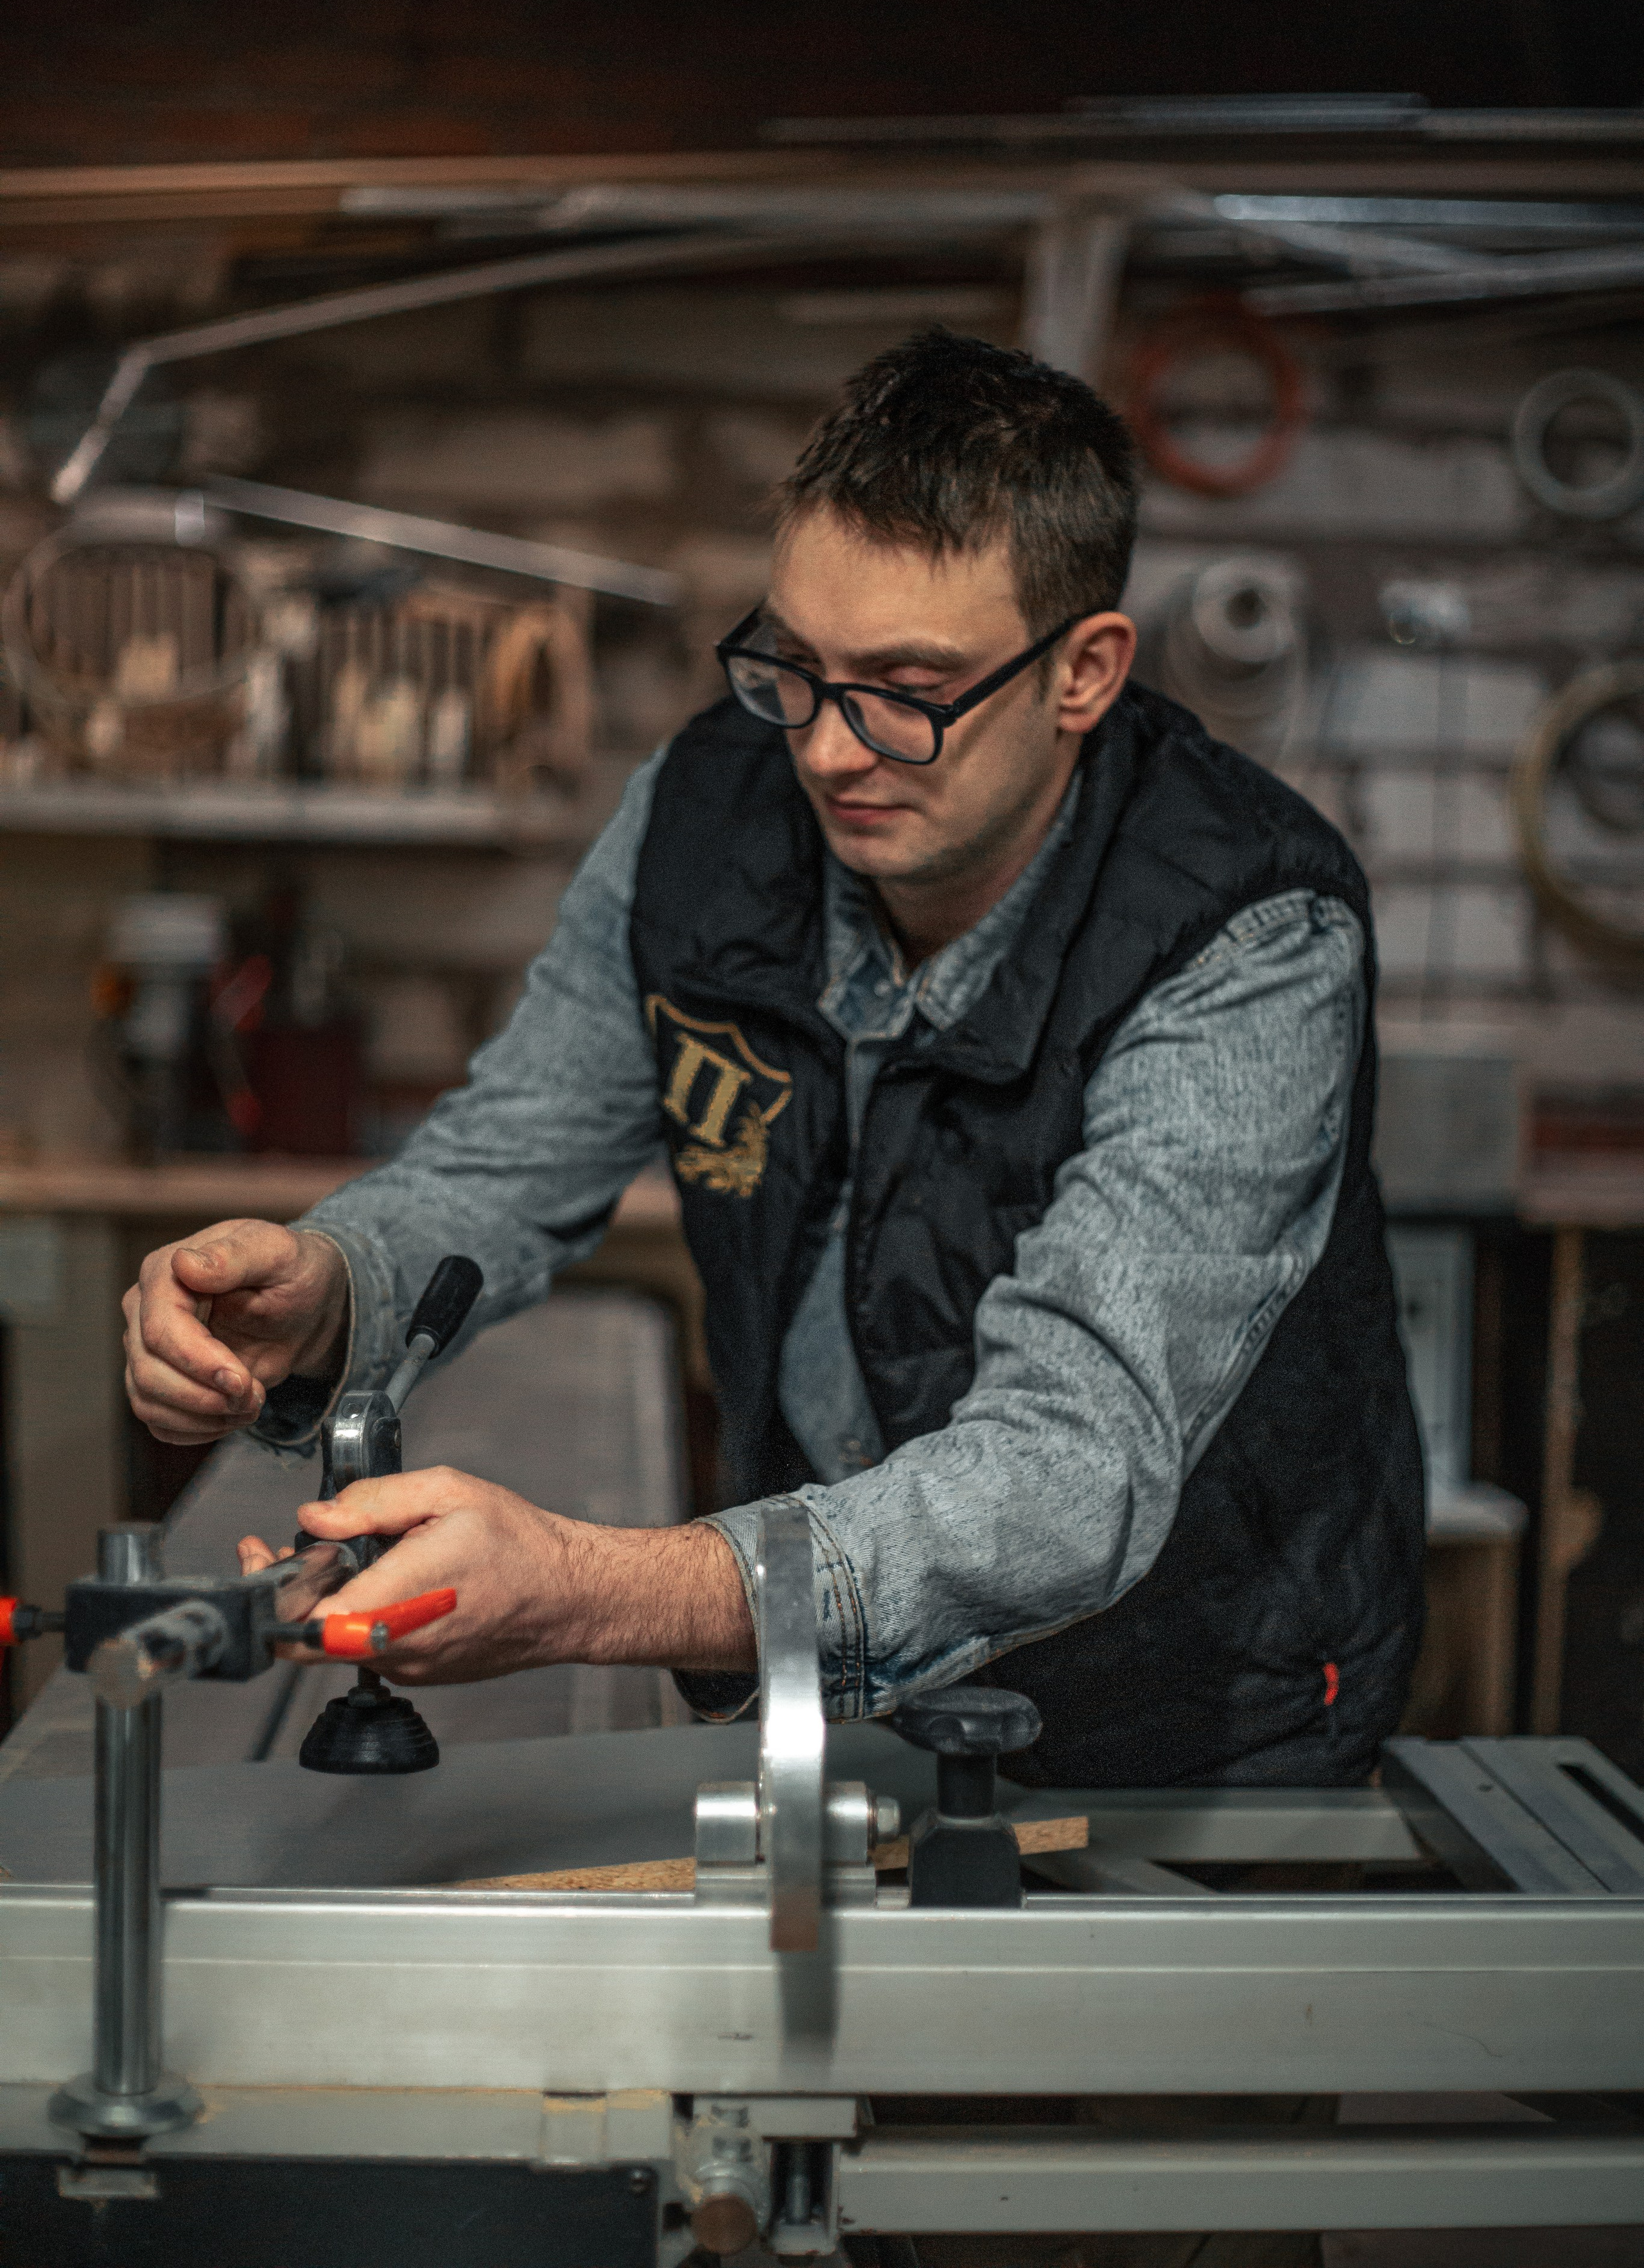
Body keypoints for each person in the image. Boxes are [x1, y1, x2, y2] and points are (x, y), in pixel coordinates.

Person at [123, 329, 1424, 1790]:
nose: (824, 750)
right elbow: (510, 1161)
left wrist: (597, 1588)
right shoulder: (706, 814)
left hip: (1186, 1715)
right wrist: (330, 1286)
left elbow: (1069, 1474)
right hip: (831, 1683)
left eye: (905, 687)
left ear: (1083, 673)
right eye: (794, 666)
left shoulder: (1243, 931)